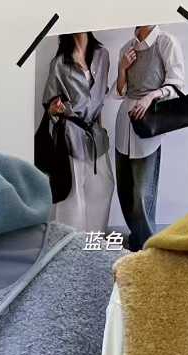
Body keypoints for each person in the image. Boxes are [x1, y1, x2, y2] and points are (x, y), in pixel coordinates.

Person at [112, 25, 186, 249]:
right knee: (125, 190)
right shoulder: (126, 48)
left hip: (148, 123)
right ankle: (136, 240)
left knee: (143, 194)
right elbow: (120, 92)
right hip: (124, 123)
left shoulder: (166, 42)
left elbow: (176, 83)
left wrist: (151, 96)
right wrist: (122, 68)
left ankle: (146, 245)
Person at [41, 32, 116, 230]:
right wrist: (54, 109)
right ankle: (72, 240)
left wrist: (101, 129)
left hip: (95, 134)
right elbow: (49, 106)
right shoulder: (59, 63)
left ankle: (94, 239)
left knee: (103, 187)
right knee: (73, 195)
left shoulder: (102, 55)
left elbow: (100, 96)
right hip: (70, 134)